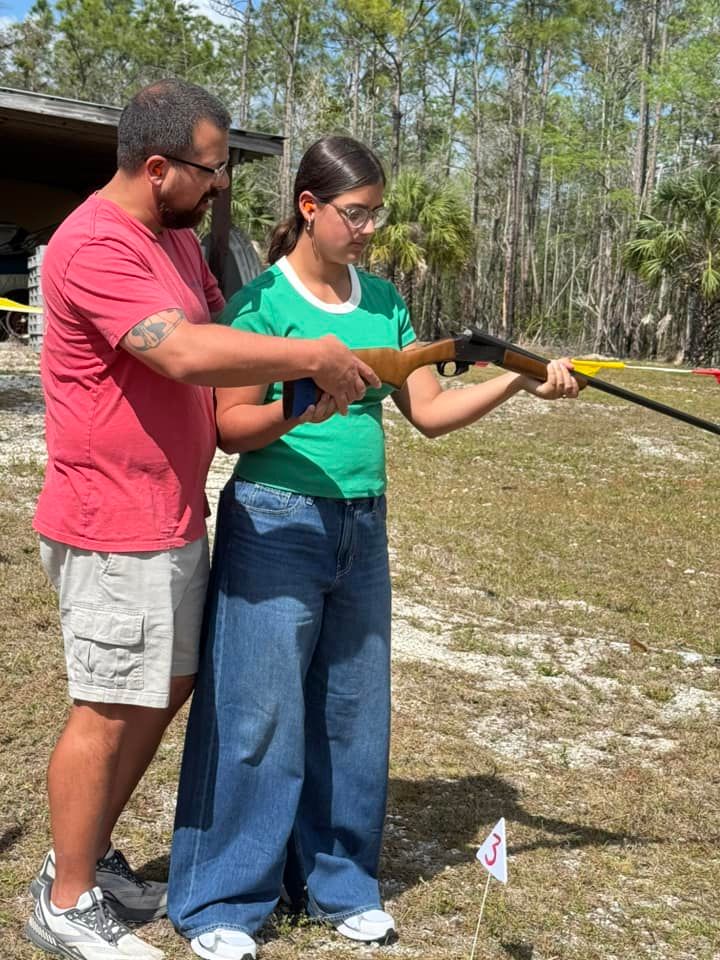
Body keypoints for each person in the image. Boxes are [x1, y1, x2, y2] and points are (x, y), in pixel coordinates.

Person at [167, 135, 579, 960]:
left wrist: (517, 376)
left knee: (352, 716)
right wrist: (300, 408)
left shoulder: (384, 299)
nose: (366, 230)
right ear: (309, 209)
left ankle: (338, 885)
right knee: (257, 715)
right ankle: (221, 902)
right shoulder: (260, 304)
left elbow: (427, 410)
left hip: (363, 524)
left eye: (374, 216)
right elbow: (229, 427)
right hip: (276, 520)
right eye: (353, 214)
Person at [26, 85, 378, 960]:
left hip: (170, 509)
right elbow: (181, 350)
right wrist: (312, 353)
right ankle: (65, 901)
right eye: (211, 168)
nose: (220, 184)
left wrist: (296, 395)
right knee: (107, 705)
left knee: (162, 687)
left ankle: (87, 857)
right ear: (158, 168)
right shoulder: (96, 244)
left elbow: (218, 340)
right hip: (110, 517)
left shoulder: (173, 239)